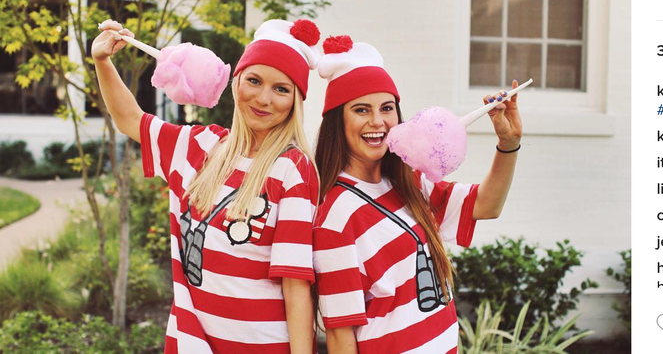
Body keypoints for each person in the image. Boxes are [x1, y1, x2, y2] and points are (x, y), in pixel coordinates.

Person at [91, 18, 323, 354]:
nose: (264, 98)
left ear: (296, 101)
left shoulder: (292, 169)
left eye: (281, 89)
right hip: (192, 342)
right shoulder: (201, 146)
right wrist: (102, 61)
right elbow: (130, 119)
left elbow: (296, 283)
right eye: (254, 81)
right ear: (236, 81)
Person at [310, 36, 522, 353]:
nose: (377, 121)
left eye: (387, 108)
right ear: (337, 120)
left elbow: (487, 205)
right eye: (361, 110)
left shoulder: (410, 181)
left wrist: (508, 143)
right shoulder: (335, 218)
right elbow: (341, 334)